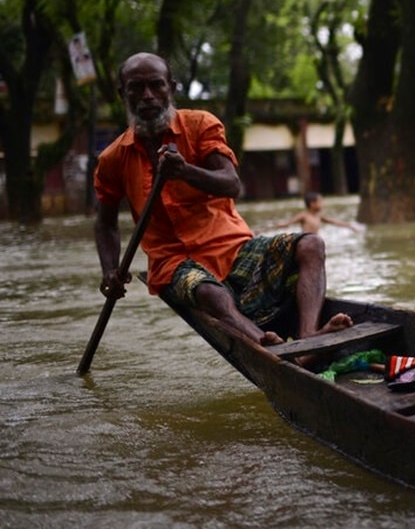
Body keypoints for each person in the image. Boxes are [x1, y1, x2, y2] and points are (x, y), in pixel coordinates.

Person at [93, 52, 352, 350]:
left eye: (156, 85)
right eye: (136, 88)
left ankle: (308, 337)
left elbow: (231, 185)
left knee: (311, 245)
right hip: (172, 261)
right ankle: (273, 351)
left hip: (232, 246)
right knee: (210, 293)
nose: (147, 96)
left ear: (171, 88)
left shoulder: (201, 125)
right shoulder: (113, 159)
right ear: (122, 94)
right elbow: (105, 223)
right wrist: (110, 270)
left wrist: (185, 171)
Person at [263, 192, 361, 234]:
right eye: (320, 202)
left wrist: (350, 226)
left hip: (315, 241)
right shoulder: (304, 215)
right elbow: (286, 224)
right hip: (306, 241)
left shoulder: (319, 216)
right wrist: (264, 230)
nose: (322, 204)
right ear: (312, 204)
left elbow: (334, 221)